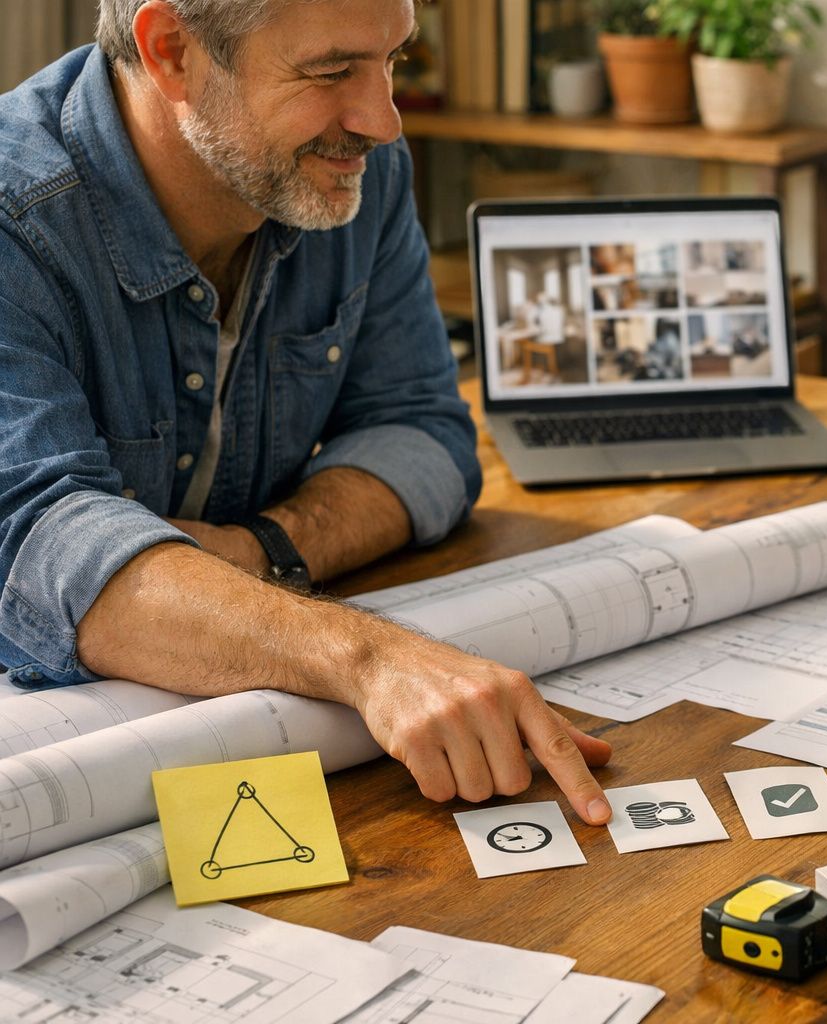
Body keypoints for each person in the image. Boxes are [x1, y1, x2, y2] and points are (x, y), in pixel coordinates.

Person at [0, 0, 613, 824]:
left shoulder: (349, 172)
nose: (383, 122)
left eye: (393, 60)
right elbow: (39, 551)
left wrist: (261, 552)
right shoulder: (16, 219)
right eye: (331, 72)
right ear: (173, 51)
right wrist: (369, 660)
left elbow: (423, 431)